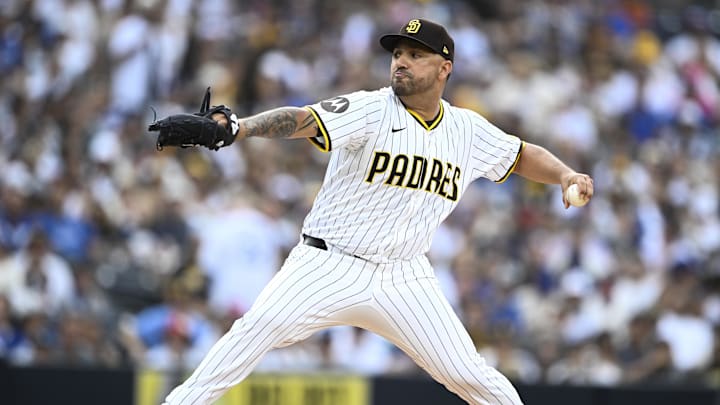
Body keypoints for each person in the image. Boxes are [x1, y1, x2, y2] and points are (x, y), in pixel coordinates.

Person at [162, 18, 594, 405]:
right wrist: (240, 128)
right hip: (328, 263)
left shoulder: (466, 130)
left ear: (445, 68)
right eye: (398, 54)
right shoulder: (372, 107)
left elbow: (519, 155)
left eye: (415, 54)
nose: (401, 62)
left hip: (404, 276)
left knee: (471, 376)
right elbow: (304, 118)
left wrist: (564, 174)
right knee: (254, 331)